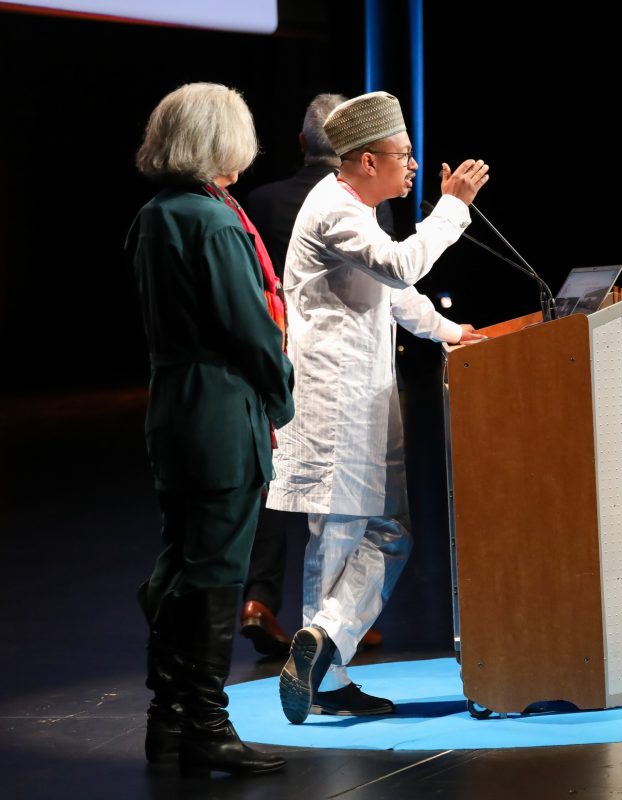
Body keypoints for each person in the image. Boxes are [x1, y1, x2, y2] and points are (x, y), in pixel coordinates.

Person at [267, 90, 489, 724]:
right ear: (368, 161)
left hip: (367, 399)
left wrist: (452, 333)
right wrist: (452, 209)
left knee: (391, 531)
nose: (414, 165)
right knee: (338, 537)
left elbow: (396, 294)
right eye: (404, 154)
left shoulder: (359, 209)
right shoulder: (333, 209)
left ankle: (323, 642)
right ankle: (325, 673)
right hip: (333, 404)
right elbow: (398, 266)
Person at [128, 82, 294, 776]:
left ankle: (168, 721)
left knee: (184, 559)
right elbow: (248, 328)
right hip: (221, 405)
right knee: (217, 568)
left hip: (174, 402)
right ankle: (206, 725)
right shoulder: (214, 221)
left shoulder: (156, 214)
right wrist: (281, 394)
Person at [239, 93, 385, 656]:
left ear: (301, 142)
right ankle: (333, 621)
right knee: (335, 501)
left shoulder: (261, 200)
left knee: (275, 480)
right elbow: (388, 281)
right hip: (336, 366)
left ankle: (260, 599)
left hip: (269, 354)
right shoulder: (359, 203)